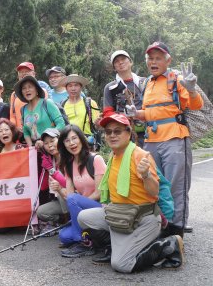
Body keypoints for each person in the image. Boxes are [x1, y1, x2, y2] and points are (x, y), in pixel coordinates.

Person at [77, 113, 184, 272]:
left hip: (144, 219)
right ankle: (117, 246)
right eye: (108, 132)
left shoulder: (139, 155)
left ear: (129, 132)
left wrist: (146, 174)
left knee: (121, 264)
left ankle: (169, 244)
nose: (112, 135)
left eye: (117, 131)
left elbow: (155, 192)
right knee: (83, 217)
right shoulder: (114, 155)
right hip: (121, 215)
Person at [127, 42, 203, 236]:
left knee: (176, 185)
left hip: (174, 139)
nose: (154, 62)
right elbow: (153, 112)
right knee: (154, 185)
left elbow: (195, 105)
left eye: (158, 58)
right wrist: (137, 113)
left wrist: (192, 89)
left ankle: (176, 231)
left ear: (167, 60)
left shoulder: (175, 79)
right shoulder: (148, 83)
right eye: (150, 58)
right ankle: (160, 225)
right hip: (151, 141)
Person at [57, 125, 106, 258]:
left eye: (74, 138)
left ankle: (83, 243)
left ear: (81, 139)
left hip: (101, 207)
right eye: (67, 140)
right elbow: (69, 195)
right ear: (63, 145)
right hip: (82, 209)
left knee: (74, 198)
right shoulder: (68, 165)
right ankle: (88, 237)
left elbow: (100, 193)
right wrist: (59, 190)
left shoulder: (95, 159)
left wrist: (80, 205)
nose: (72, 143)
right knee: (63, 236)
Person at [102, 50, 147, 146]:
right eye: (116, 61)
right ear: (114, 67)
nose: (120, 62)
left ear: (130, 62)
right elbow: (107, 113)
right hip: (123, 134)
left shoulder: (144, 82)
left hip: (147, 132)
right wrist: (123, 117)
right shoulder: (110, 87)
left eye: (123, 59)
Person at [14, 76, 65, 149]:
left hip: (52, 147)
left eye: (30, 87)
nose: (27, 90)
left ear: (37, 89)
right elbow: (26, 131)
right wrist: (31, 147)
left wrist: (46, 141)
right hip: (36, 149)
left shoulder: (47, 103)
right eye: (24, 88)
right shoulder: (23, 109)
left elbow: (61, 124)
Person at [35, 128, 68, 233]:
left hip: (71, 196)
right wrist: (46, 168)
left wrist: (52, 170)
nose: (49, 145)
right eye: (46, 143)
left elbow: (68, 183)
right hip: (60, 200)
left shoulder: (68, 156)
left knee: (60, 188)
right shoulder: (51, 159)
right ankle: (63, 222)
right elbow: (43, 186)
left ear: (60, 140)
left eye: (52, 141)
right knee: (41, 212)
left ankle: (71, 221)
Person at [60, 74, 101, 149]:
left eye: (76, 85)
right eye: (70, 86)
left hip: (87, 143)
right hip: (69, 144)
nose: (73, 88)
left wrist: (98, 124)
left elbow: (96, 127)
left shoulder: (90, 103)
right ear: (66, 88)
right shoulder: (62, 105)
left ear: (81, 87)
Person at [10, 62, 52, 129]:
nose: (24, 73)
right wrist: (14, 128)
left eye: (27, 71)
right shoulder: (14, 94)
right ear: (18, 76)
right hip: (19, 134)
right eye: (21, 72)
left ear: (34, 74)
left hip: (40, 130)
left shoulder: (43, 90)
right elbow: (12, 115)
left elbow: (47, 112)